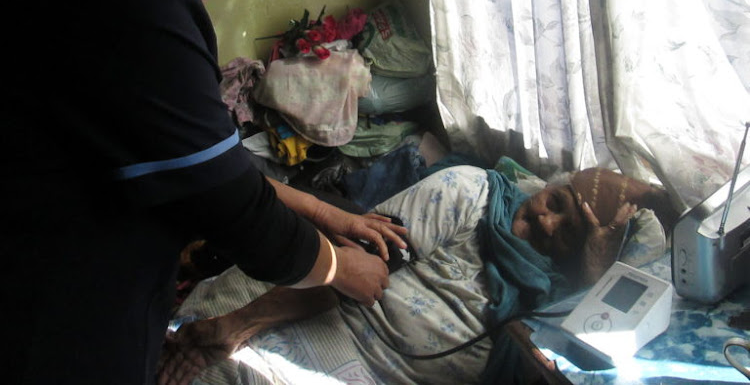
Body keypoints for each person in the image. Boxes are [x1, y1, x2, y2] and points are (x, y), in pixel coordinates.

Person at [0, 0, 406, 383]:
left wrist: (325, 212)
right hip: (57, 328)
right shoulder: (135, 8)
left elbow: (209, 169)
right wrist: (340, 268)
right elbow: (234, 211)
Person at [158, 164, 674, 385]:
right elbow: (353, 269)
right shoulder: (471, 194)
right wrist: (241, 324)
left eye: (566, 232)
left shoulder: (563, 296)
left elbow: (582, 351)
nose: (545, 219)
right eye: (555, 201)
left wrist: (591, 273)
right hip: (337, 321)